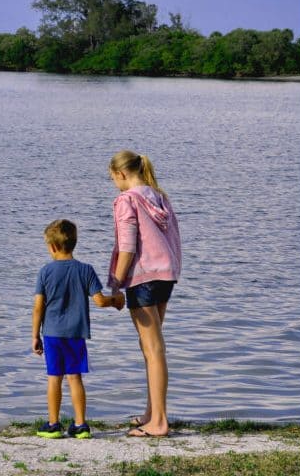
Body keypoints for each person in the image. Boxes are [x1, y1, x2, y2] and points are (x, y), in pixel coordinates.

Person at [107, 150, 182, 437]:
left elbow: (127, 247)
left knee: (153, 349)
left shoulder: (127, 201)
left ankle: (159, 422)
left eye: (113, 178)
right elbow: (174, 237)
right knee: (151, 347)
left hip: (143, 277)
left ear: (121, 174)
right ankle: (152, 412)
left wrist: (115, 284)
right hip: (166, 273)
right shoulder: (159, 196)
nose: (114, 183)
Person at [32, 219, 124, 439]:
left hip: (52, 334)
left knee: (54, 377)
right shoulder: (85, 270)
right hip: (76, 334)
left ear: (53, 247)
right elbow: (100, 301)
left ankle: (53, 424)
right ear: (73, 243)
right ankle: (80, 425)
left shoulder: (45, 272)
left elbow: (38, 308)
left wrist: (35, 335)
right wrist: (116, 301)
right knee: (75, 377)